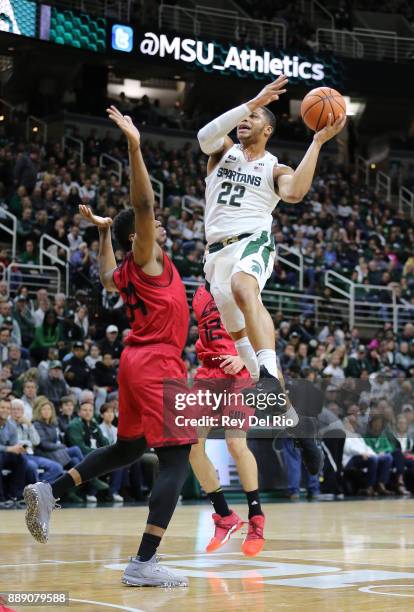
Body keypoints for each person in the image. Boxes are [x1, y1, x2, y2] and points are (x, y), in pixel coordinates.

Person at [24, 106, 194, 588]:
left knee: (130, 447)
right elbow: (143, 206)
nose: (159, 228)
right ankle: (143, 562)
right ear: (137, 238)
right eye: (151, 228)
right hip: (159, 363)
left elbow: (103, 274)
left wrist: (102, 234)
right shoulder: (147, 256)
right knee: (177, 459)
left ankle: (49, 490)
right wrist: (135, 147)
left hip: (135, 363)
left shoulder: (125, 270)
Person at [197, 75, 344, 447]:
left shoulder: (274, 168)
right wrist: (252, 101)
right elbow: (203, 136)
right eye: (245, 115)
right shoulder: (221, 151)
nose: (245, 121)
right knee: (241, 343)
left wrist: (316, 142)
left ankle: (266, 373)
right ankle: (297, 425)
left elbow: (294, 193)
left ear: (268, 129)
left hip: (253, 242)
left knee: (244, 286)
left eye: (255, 116)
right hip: (215, 255)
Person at [189, 284, 263, 556]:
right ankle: (225, 516)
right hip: (209, 372)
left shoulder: (240, 282)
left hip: (239, 372)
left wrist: (244, 358)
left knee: (235, 443)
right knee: (191, 445)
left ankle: (256, 518)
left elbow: (261, 326)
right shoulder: (198, 293)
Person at [9, 399, 63, 485]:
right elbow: (15, 444)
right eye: (14, 409)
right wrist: (27, 444)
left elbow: (36, 441)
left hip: (30, 455)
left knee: (57, 468)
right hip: (17, 457)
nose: (16, 412)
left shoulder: (26, 424)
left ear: (23, 411)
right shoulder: (8, 424)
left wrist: (29, 425)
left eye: (19, 409)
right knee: (32, 466)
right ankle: (35, 492)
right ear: (10, 411)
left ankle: (37, 488)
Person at [0, 398, 26, 508]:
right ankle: (1, 498)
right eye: (2, 407)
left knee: (21, 459)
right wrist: (8, 449)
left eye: (7, 408)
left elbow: (13, 445)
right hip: (1, 454)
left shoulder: (11, 425)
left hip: (4, 454)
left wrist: (18, 449)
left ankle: (15, 495)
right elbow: (8, 448)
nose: (4, 410)